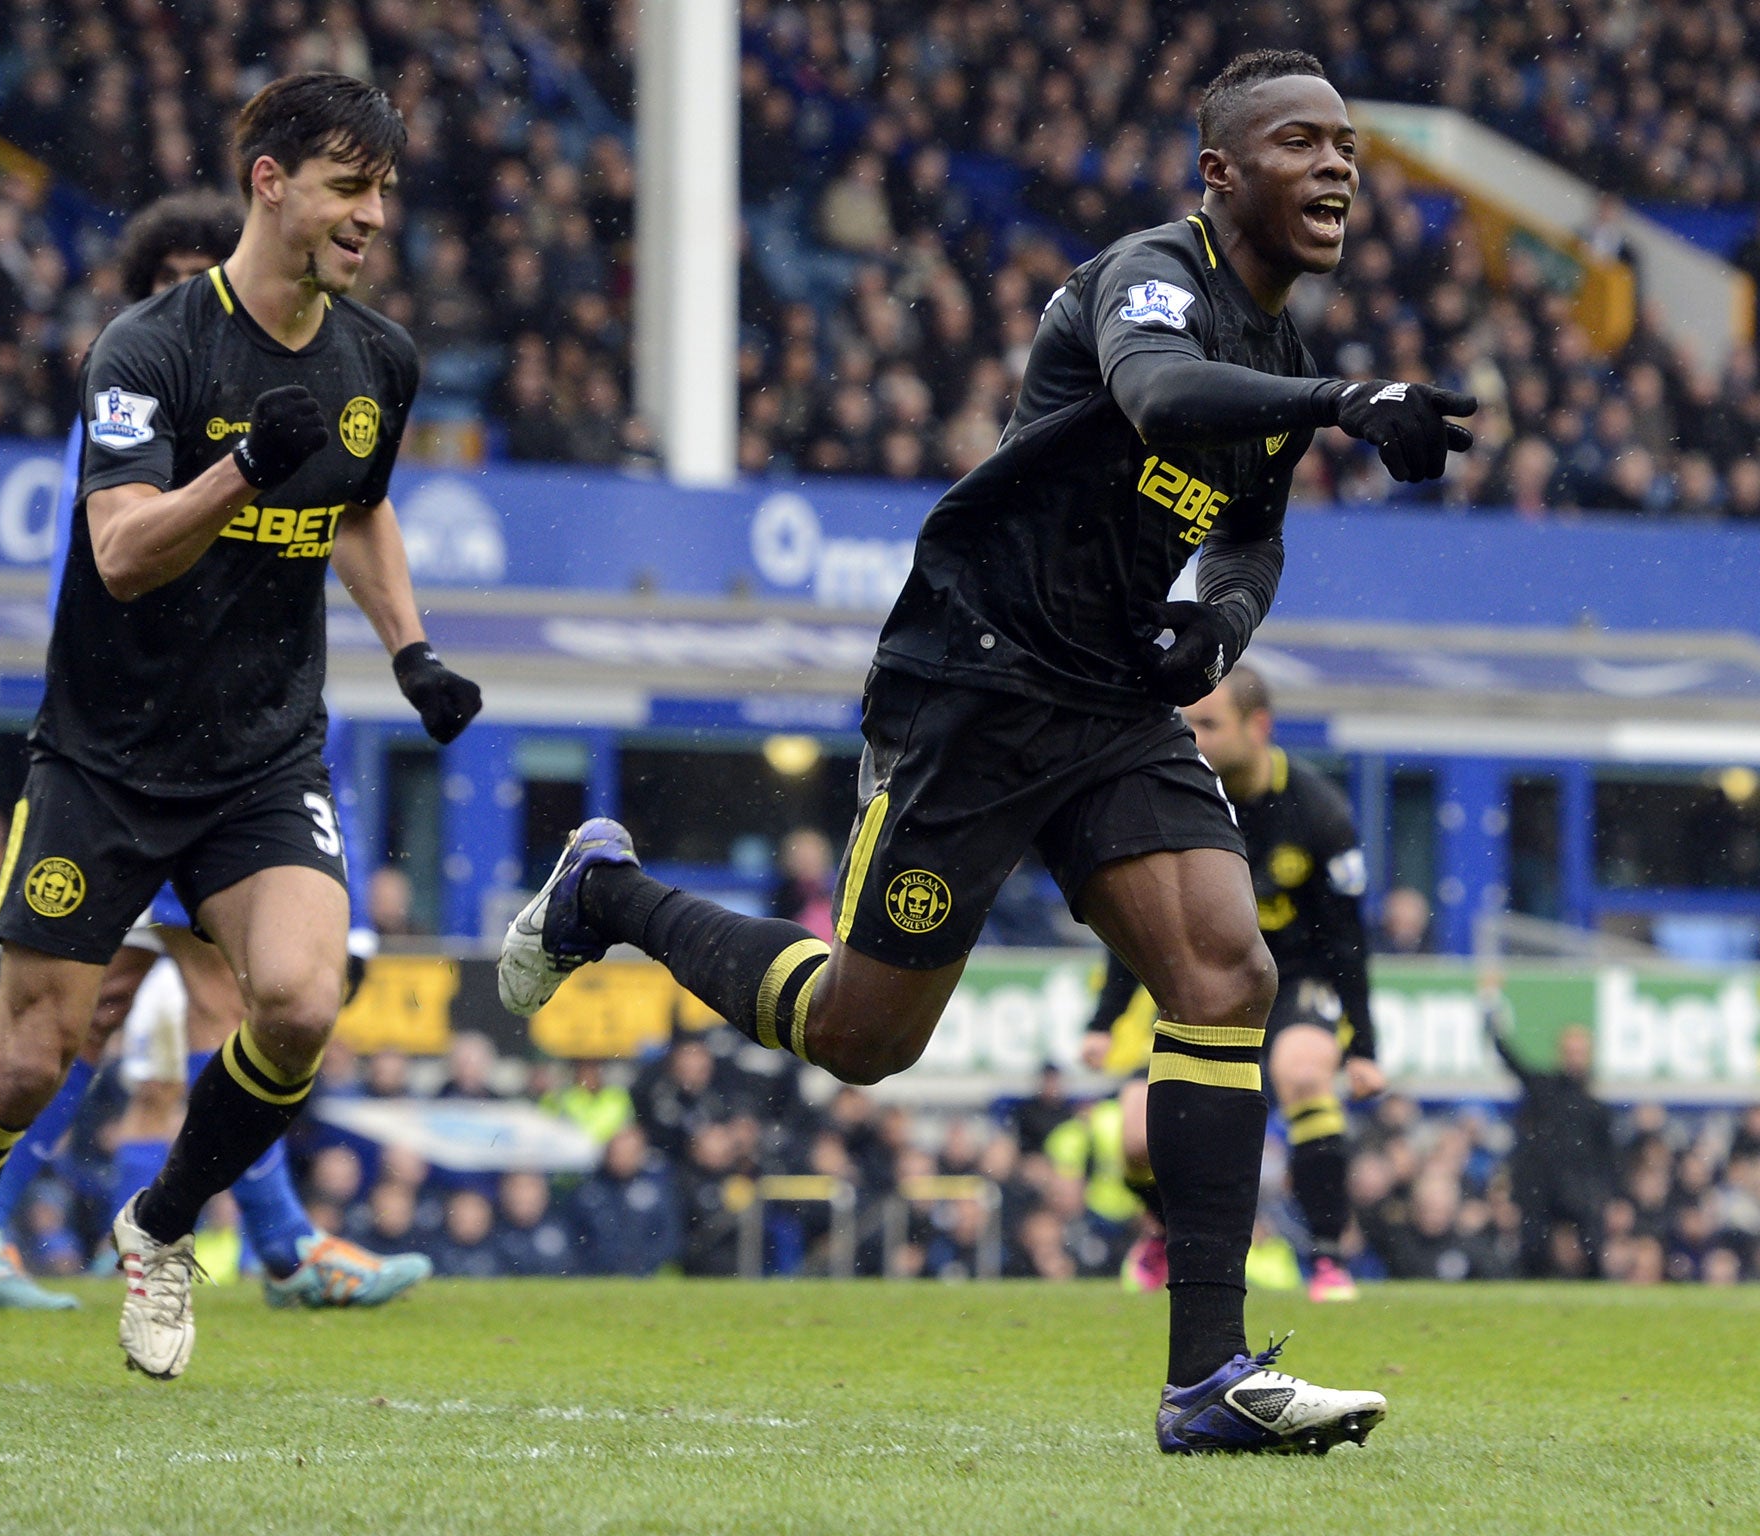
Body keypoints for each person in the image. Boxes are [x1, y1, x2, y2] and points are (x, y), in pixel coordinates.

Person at [501, 50, 1473, 1454]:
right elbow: (1157, 399)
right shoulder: (1153, 278)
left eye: (1347, 147)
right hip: (977, 676)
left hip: (1111, 697)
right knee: (861, 1035)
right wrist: (1343, 406)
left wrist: (1221, 626)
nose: (1337, 167)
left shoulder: (1276, 352)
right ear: (1220, 173)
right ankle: (607, 898)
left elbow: (1252, 522)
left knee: (1225, 972)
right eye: (1301, 143)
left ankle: (1209, 1379)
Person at [0, 73, 482, 1393]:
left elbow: (357, 508)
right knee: (22, 1063)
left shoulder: (379, 362)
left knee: (298, 1002)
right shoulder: (148, 349)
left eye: (386, 193)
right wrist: (241, 466)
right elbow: (119, 554)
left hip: (262, 758)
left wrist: (414, 652)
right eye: (351, 189)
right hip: (106, 763)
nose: (372, 217)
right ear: (271, 182)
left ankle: (163, 1222)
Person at [0, 187, 428, 1315]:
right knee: (197, 1004)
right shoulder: (139, 397)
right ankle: (284, 1245)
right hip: (136, 752)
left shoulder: (314, 377)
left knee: (126, 1010)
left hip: (229, 747)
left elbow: (347, 518)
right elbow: (126, 563)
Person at [1083, 666, 1384, 1304]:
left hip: (1293, 978)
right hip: (1200, 978)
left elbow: (1348, 940)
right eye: (1185, 723)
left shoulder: (1319, 814)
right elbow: (1137, 916)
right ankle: (1163, 1232)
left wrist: (1365, 1048)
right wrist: (1104, 1020)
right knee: (1136, 1136)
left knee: (1304, 1074)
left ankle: (1328, 1257)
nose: (1190, 737)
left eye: (1208, 724)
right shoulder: (1173, 796)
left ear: (1259, 727)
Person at [1488, 1011, 1615, 1278]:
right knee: (1533, 1249)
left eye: (1580, 1051)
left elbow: (1607, 1157)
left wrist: (1611, 1196)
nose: (1575, 1057)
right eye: (1570, 1051)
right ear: (1560, 1053)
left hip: (1580, 1188)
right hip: (1540, 1186)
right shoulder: (1542, 1088)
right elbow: (1510, 1060)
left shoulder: (1596, 1108)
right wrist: (1491, 1020)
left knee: (1594, 1246)